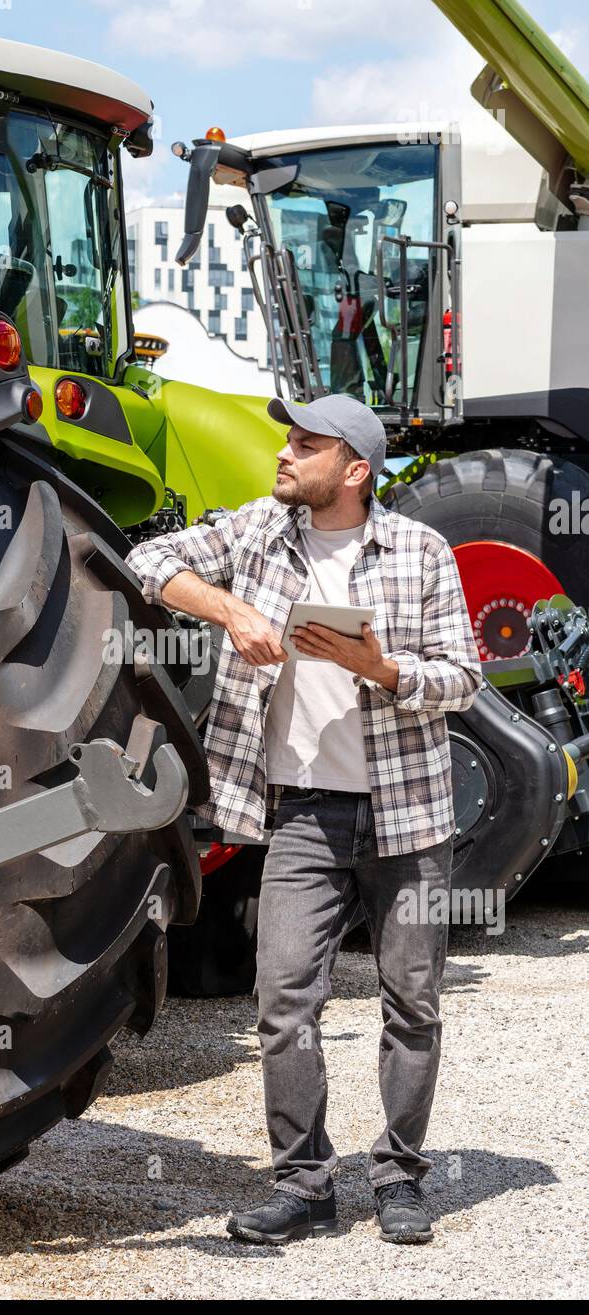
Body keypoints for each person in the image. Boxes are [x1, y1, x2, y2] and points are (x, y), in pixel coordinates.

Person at [124, 393, 482, 1245]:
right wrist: (231, 611)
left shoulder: (420, 551)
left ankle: (398, 1179)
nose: (286, 453)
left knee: (413, 1004)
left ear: (355, 470)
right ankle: (305, 1184)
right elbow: (150, 559)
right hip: (302, 818)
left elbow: (464, 677)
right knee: (284, 1002)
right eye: (288, 439)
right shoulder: (258, 532)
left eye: (306, 444)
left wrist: (385, 670)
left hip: (408, 818)